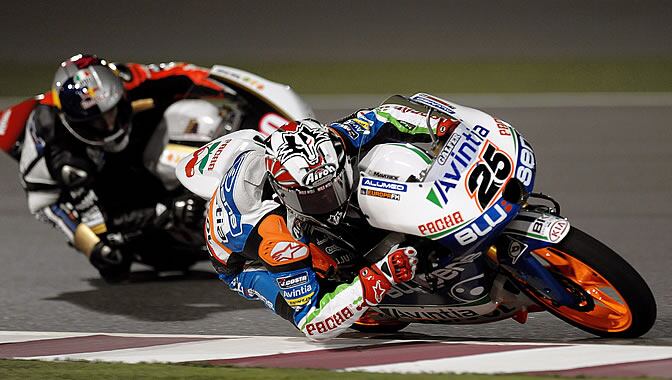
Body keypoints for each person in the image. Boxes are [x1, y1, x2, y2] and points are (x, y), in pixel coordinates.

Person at [196, 94, 461, 340]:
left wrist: (438, 126)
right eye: (313, 198)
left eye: (334, 187)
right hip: (241, 258)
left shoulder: (329, 143)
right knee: (325, 265)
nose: (329, 203)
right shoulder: (277, 240)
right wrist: (382, 276)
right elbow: (313, 322)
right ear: (285, 194)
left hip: (254, 166)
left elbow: (383, 115)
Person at [11, 54, 226, 282]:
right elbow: (93, 220)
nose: (109, 126)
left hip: (114, 154)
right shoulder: (66, 159)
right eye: (97, 121)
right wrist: (165, 211)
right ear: (76, 122)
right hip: (60, 198)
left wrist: (223, 85)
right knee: (111, 257)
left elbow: (177, 73)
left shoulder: (121, 78)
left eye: (113, 112)